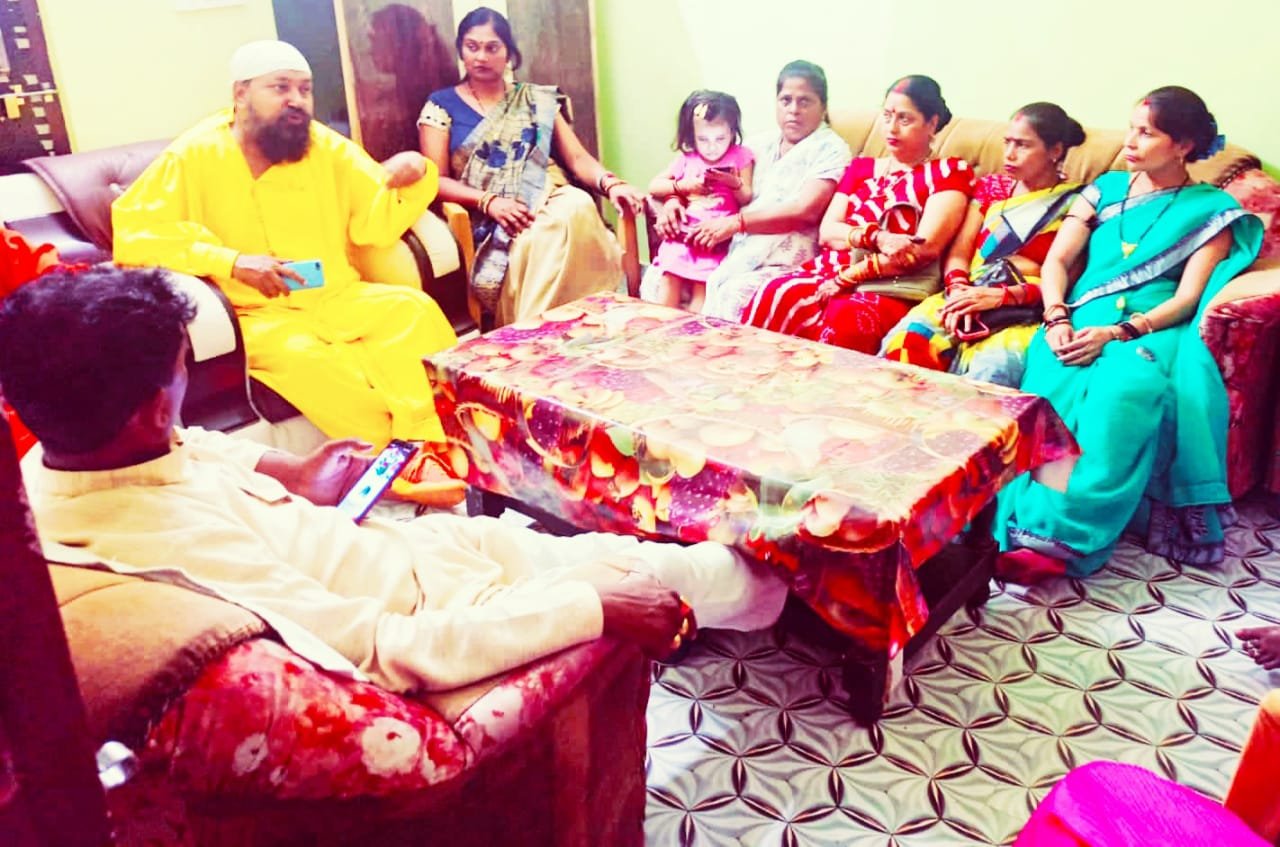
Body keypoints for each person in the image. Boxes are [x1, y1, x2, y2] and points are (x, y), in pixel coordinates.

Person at [0, 266, 789, 693]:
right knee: (702, 574)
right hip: (449, 609)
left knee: (654, 556)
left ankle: (764, 587)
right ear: (148, 409)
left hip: (420, 549)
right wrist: (595, 606)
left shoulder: (63, 455)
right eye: (182, 372)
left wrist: (300, 474)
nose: (187, 398)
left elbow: (199, 450)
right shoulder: (172, 551)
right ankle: (799, 590)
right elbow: (382, 650)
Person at [111, 40, 463, 506]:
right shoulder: (194, 155)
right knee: (308, 359)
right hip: (257, 313)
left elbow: (374, 217)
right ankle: (391, 464)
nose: (297, 100)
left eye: (305, 89)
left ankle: (432, 442)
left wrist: (414, 169)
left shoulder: (324, 146)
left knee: (411, 310)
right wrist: (230, 261)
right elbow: (137, 235)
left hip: (335, 295)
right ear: (240, 94)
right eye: (280, 88)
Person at [994, 87, 1263, 583]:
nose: (1130, 142)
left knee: (1119, 395)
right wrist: (1056, 318)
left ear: (1183, 145)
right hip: (1076, 320)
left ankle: (1064, 540)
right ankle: (1031, 524)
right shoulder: (1104, 190)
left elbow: (1188, 297)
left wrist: (1119, 332)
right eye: (1131, 129)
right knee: (1054, 393)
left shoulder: (1212, 210)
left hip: (1152, 329)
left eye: (1146, 133)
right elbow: (1057, 261)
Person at [418, 6, 645, 328]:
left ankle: (590, 323)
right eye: (472, 46)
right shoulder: (441, 105)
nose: (481, 56)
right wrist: (490, 202)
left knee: (577, 205)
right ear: (461, 49)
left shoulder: (536, 99)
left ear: (509, 53)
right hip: (490, 216)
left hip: (550, 194)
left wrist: (611, 183)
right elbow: (435, 180)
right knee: (537, 236)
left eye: (492, 47)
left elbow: (578, 159)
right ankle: (537, 330)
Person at [741, 75, 973, 354]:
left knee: (847, 319)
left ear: (932, 124)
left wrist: (848, 275)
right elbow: (828, 232)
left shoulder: (948, 173)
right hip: (827, 270)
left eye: (904, 119)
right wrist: (876, 237)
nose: (892, 128)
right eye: (887, 116)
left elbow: (922, 250)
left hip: (888, 283)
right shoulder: (862, 168)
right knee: (776, 292)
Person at [881, 103, 1086, 386]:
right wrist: (959, 292)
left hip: (1024, 310)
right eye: (1007, 142)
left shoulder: (1078, 202)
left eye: (1023, 145)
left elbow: (1069, 279)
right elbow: (960, 253)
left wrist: (999, 297)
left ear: (1055, 151)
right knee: (908, 341)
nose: (1009, 154)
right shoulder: (993, 188)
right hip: (966, 293)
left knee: (994, 368)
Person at [650, 60, 849, 320]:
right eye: (786, 100)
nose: (793, 110)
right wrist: (673, 200)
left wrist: (736, 223)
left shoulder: (831, 149)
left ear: (823, 107)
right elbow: (697, 177)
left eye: (805, 101)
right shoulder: (756, 146)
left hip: (783, 256)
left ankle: (696, 340)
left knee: (731, 293)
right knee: (661, 276)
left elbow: (806, 210)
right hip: (732, 245)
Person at [643, 91, 754, 311]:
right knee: (669, 282)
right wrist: (683, 186)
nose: (712, 147)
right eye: (703, 139)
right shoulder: (687, 160)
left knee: (701, 293)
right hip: (683, 236)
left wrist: (733, 183)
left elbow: (746, 196)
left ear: (732, 132)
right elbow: (654, 186)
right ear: (691, 135)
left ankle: (692, 330)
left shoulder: (740, 156)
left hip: (713, 240)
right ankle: (661, 326)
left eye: (720, 138)